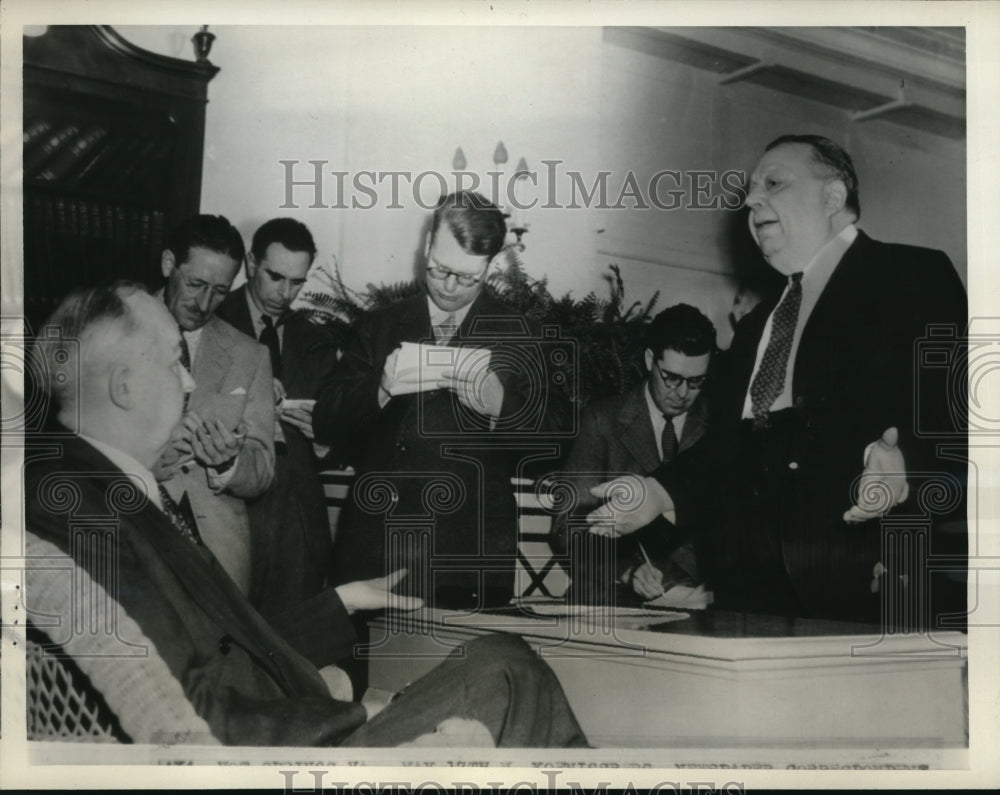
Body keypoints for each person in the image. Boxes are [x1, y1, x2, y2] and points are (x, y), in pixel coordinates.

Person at [25, 281, 588, 748]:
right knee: (508, 673)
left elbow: (216, 646)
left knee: (502, 663)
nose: (192, 380)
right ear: (125, 387)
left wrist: (340, 603)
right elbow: (195, 717)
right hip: (279, 755)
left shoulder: (95, 487)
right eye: (177, 360)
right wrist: (354, 715)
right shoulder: (81, 511)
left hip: (282, 716)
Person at [587, 135, 967, 626]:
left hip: (861, 584)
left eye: (774, 184)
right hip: (747, 592)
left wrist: (906, 465)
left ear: (832, 197)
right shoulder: (758, 325)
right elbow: (731, 444)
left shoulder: (911, 274)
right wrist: (658, 493)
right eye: (749, 190)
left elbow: (960, 413)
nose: (750, 200)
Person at [314, 190, 568, 610]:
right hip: (377, 545)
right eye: (440, 270)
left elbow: (558, 437)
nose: (450, 287)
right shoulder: (380, 325)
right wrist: (378, 387)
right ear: (426, 246)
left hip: (468, 554)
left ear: (490, 266)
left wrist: (500, 405)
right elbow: (326, 418)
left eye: (468, 278)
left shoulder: (520, 331)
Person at [553, 304, 715, 603]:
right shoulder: (602, 420)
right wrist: (628, 571)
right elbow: (569, 527)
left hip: (700, 595)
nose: (682, 394)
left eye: (696, 382)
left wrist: (691, 581)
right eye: (672, 378)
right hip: (614, 593)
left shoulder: (719, 425)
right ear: (649, 360)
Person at [216, 218, 338, 613]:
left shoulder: (316, 342)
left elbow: (337, 444)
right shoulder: (211, 316)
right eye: (275, 277)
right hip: (229, 514)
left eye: (297, 282)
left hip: (297, 526)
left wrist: (325, 442)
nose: (285, 294)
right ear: (251, 263)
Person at [153, 214, 274, 593]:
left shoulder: (249, 354)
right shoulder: (113, 329)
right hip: (130, 537)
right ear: (169, 264)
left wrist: (229, 464)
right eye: (196, 284)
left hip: (218, 559)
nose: (205, 303)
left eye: (220, 291)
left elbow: (263, 468)